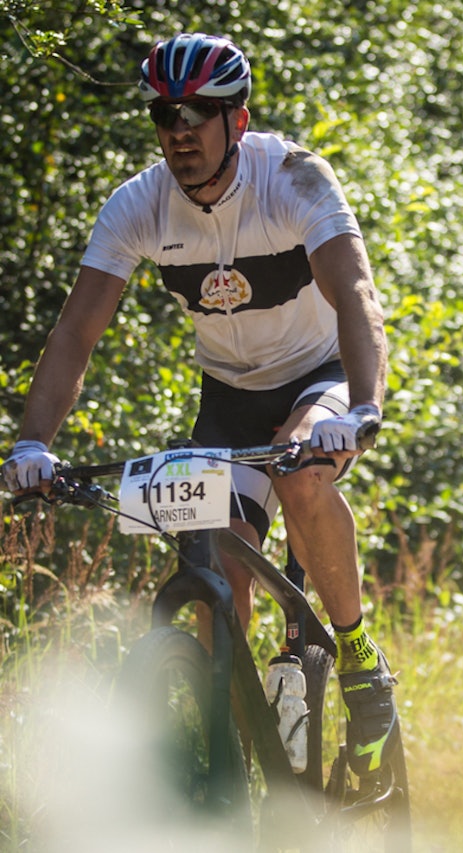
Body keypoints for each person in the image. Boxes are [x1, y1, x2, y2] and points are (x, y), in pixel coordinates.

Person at [0, 33, 396, 777]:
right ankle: (233, 751)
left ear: (236, 121)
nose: (179, 128)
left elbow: (356, 295)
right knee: (218, 566)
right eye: (164, 113)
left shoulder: (295, 179)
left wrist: (365, 406)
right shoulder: (138, 205)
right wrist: (32, 444)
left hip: (320, 377)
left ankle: (358, 656)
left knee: (305, 476)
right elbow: (76, 331)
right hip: (230, 397)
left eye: (199, 111)